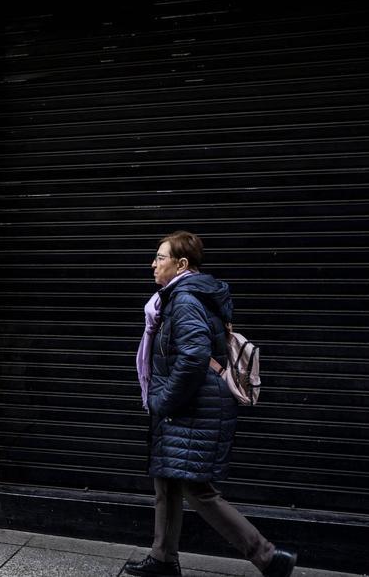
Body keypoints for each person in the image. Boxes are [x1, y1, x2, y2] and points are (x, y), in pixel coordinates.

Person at [124, 231, 296, 577]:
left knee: (196, 488)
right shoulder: (181, 296)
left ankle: (267, 557)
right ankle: (162, 559)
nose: (153, 263)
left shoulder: (184, 299)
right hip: (189, 405)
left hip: (190, 407)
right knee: (167, 481)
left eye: (160, 257)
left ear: (181, 264)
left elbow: (193, 356)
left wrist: (163, 399)